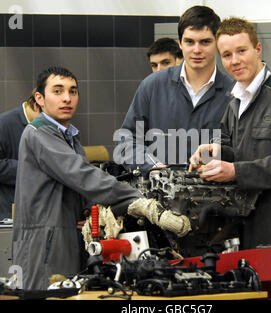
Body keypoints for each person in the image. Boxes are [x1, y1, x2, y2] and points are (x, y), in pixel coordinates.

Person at [12, 66, 191, 290]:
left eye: (73, 91)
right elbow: (82, 176)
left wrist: (89, 209)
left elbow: (76, 187)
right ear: (39, 98)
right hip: (45, 246)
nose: (67, 98)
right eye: (57, 91)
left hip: (64, 238)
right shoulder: (39, 133)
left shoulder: (69, 138)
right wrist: (140, 201)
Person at [189, 17, 271, 250]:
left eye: (241, 51)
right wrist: (214, 153)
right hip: (244, 228)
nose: (234, 61)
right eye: (227, 55)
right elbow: (233, 151)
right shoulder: (234, 104)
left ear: (257, 49)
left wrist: (236, 171)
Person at [117, 6, 234, 175]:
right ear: (180, 42)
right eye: (189, 42)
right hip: (158, 195)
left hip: (215, 196)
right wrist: (152, 166)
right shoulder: (152, 86)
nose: (196, 50)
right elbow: (126, 140)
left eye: (205, 42)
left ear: (218, 43)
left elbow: (243, 150)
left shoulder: (234, 94)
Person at [0, 89, 40, 220]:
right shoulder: (4, 124)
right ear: (36, 105)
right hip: (9, 209)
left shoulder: (48, 126)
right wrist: (32, 168)